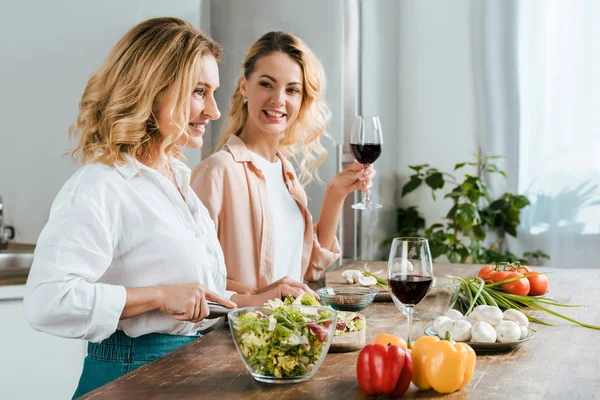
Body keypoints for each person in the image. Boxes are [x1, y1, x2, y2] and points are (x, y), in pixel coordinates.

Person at [24, 18, 310, 398]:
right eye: (198, 92)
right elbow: (47, 300)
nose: (213, 110)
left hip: (187, 368)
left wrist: (253, 299)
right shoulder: (102, 185)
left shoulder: (176, 179)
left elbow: (189, 293)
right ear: (152, 90)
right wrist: (158, 295)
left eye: (213, 93)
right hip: (129, 375)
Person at [190, 31, 375, 295]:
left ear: (302, 100)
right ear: (244, 86)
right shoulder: (216, 172)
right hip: (235, 334)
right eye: (267, 84)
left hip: (287, 332)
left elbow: (310, 270)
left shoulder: (285, 174)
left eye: (292, 90)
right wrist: (259, 297)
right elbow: (196, 280)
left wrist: (336, 193)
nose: (278, 99)